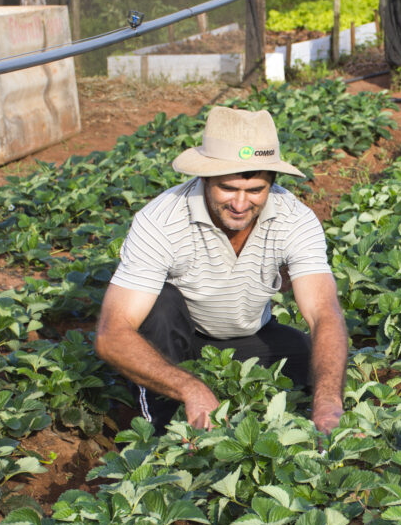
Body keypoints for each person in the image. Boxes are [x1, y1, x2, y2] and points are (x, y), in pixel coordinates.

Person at [95, 106, 349, 434]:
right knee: (160, 306)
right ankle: (158, 439)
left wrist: (328, 402)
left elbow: (324, 314)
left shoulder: (294, 219)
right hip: (178, 342)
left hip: (249, 338)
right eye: (228, 188)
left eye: (255, 190)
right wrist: (191, 389)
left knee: (325, 363)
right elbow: (111, 334)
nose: (241, 204)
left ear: (272, 182)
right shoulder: (160, 221)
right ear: (204, 178)